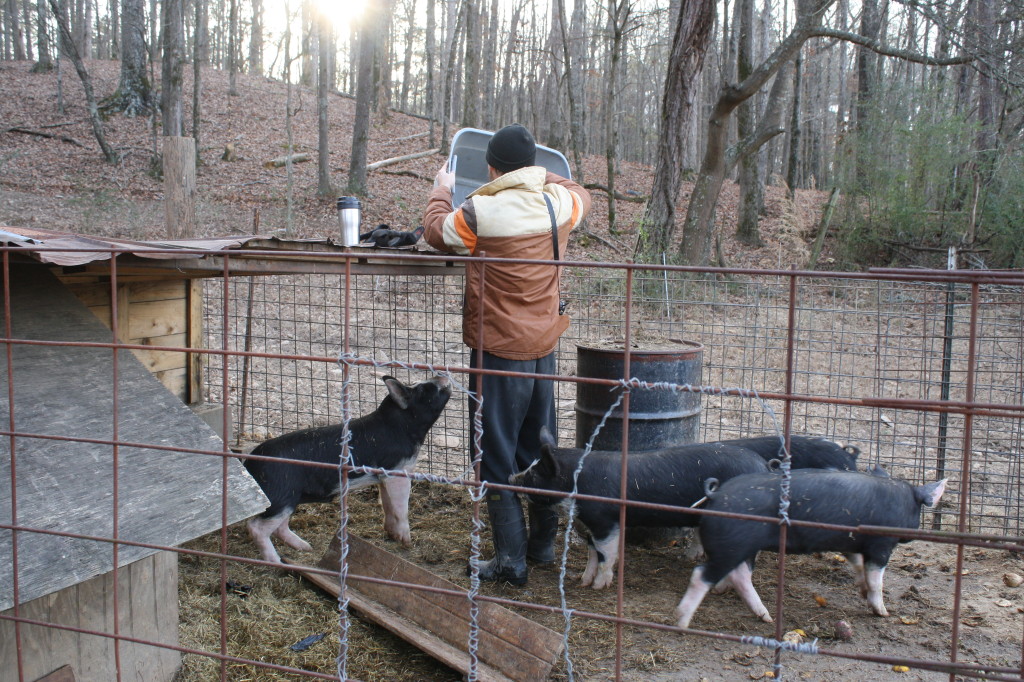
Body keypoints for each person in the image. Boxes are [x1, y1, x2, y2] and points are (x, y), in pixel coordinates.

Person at [422, 124, 592, 585]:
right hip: (544, 345)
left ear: (491, 167)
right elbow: (579, 191)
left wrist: (442, 190)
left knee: (494, 453)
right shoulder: (559, 203)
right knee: (541, 449)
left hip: (498, 349)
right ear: (534, 165)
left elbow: (437, 233)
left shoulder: (480, 210)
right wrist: (545, 178)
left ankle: (510, 562)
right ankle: (541, 548)